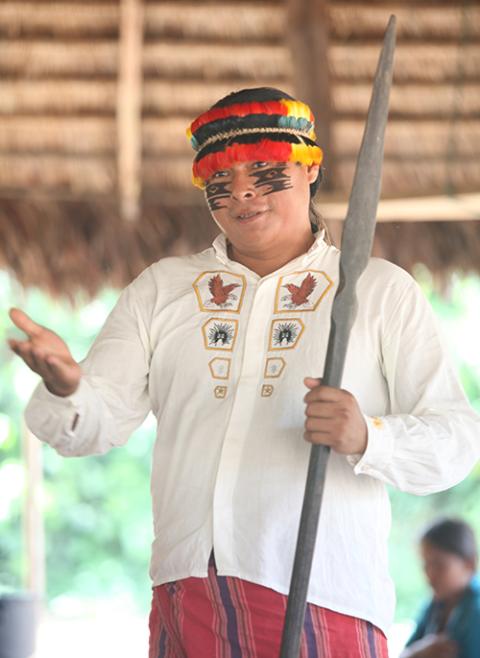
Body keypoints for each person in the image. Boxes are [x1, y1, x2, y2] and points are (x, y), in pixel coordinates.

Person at [7, 87, 480, 658]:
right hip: (187, 592)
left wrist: (368, 436)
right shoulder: (165, 287)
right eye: (220, 181)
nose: (242, 193)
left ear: (309, 168)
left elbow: (455, 442)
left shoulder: (378, 290)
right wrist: (70, 385)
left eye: (263, 171)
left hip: (321, 593)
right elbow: (96, 424)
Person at [400, 518, 480, 658]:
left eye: (439, 565)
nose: (430, 574)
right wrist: (418, 653)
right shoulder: (435, 605)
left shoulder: (476, 610)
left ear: (470, 564)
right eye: (426, 565)